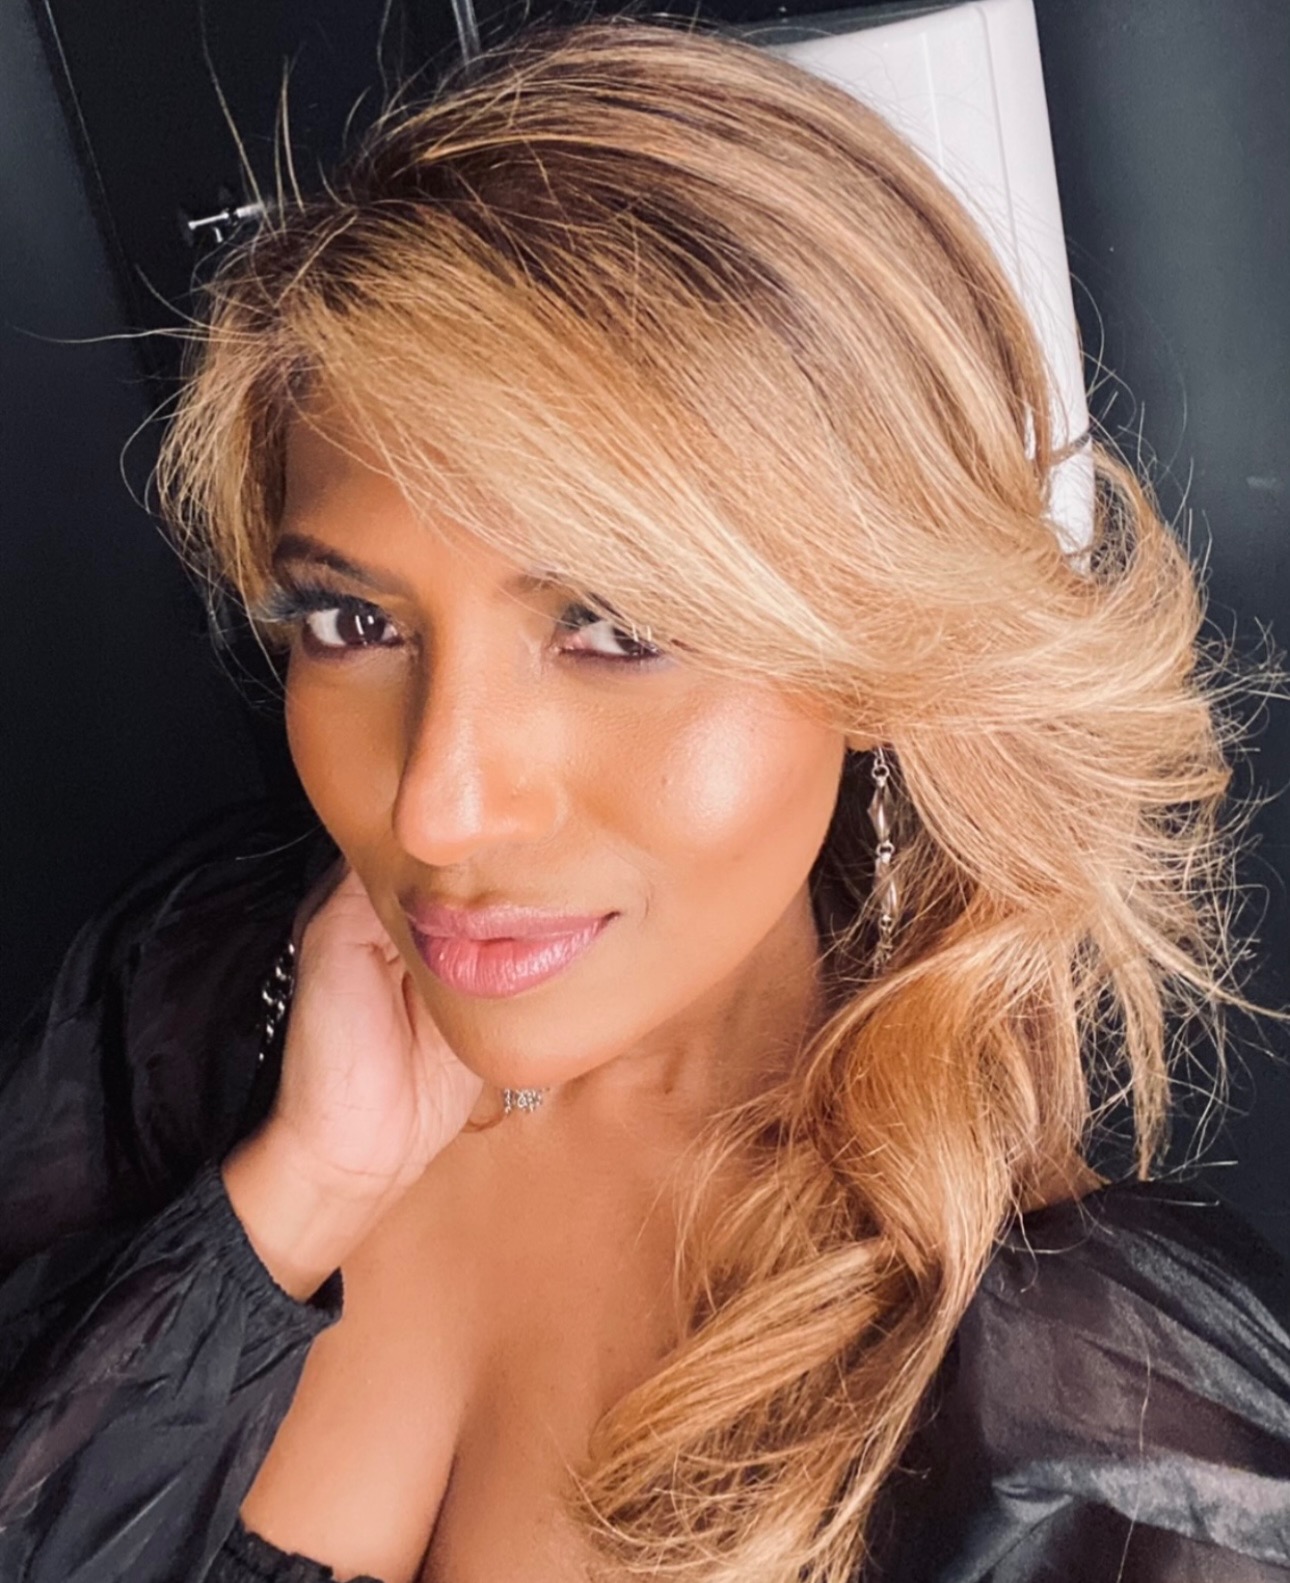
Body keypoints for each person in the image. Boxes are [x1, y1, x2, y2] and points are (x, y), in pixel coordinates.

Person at [2, 18, 1289, 1583]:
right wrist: (296, 1194)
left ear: (880, 655)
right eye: (352, 620)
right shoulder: (179, 1001)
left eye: (614, 629)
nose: (437, 810)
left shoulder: (1096, 1431)